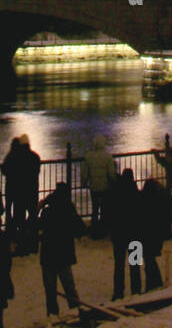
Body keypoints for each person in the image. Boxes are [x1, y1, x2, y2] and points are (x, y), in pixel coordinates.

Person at [38, 182, 86, 318]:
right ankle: (76, 311)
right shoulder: (68, 209)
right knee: (69, 288)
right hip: (64, 254)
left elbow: (34, 226)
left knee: (50, 291)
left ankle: (52, 316)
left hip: (48, 255)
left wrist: (38, 208)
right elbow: (79, 229)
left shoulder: (47, 210)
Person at [108, 168, 143, 300]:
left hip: (119, 235)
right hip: (135, 235)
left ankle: (118, 292)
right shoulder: (137, 194)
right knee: (135, 264)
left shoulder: (115, 195)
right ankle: (136, 289)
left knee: (119, 265)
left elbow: (110, 214)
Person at [140, 178, 172, 291]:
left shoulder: (144, 201)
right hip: (157, 236)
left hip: (147, 236)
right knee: (149, 259)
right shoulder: (160, 200)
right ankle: (154, 282)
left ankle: (153, 283)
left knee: (147, 260)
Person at [83, 134, 118, 237]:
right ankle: (103, 229)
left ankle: (94, 228)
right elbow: (111, 173)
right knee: (104, 208)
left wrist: (85, 183)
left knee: (94, 208)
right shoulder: (108, 157)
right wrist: (113, 182)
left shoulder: (88, 157)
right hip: (105, 186)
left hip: (93, 186)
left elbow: (85, 172)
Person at [19, 134, 42, 254]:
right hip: (32, 190)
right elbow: (37, 171)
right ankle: (34, 244)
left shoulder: (17, 158)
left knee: (21, 219)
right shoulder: (35, 157)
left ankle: (22, 245)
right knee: (33, 218)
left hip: (21, 191)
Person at [2, 137, 25, 240]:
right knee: (18, 209)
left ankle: (9, 229)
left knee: (8, 208)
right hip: (19, 187)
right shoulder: (21, 157)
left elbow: (4, 170)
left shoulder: (9, 156)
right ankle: (17, 230)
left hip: (10, 186)